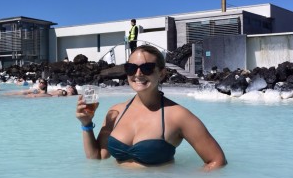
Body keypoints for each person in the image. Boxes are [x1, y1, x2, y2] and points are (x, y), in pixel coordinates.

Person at [75, 45, 226, 170]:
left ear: (161, 73)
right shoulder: (116, 111)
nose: (138, 74)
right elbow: (98, 157)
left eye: (147, 68)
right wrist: (86, 125)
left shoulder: (178, 115)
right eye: (131, 68)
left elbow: (216, 160)